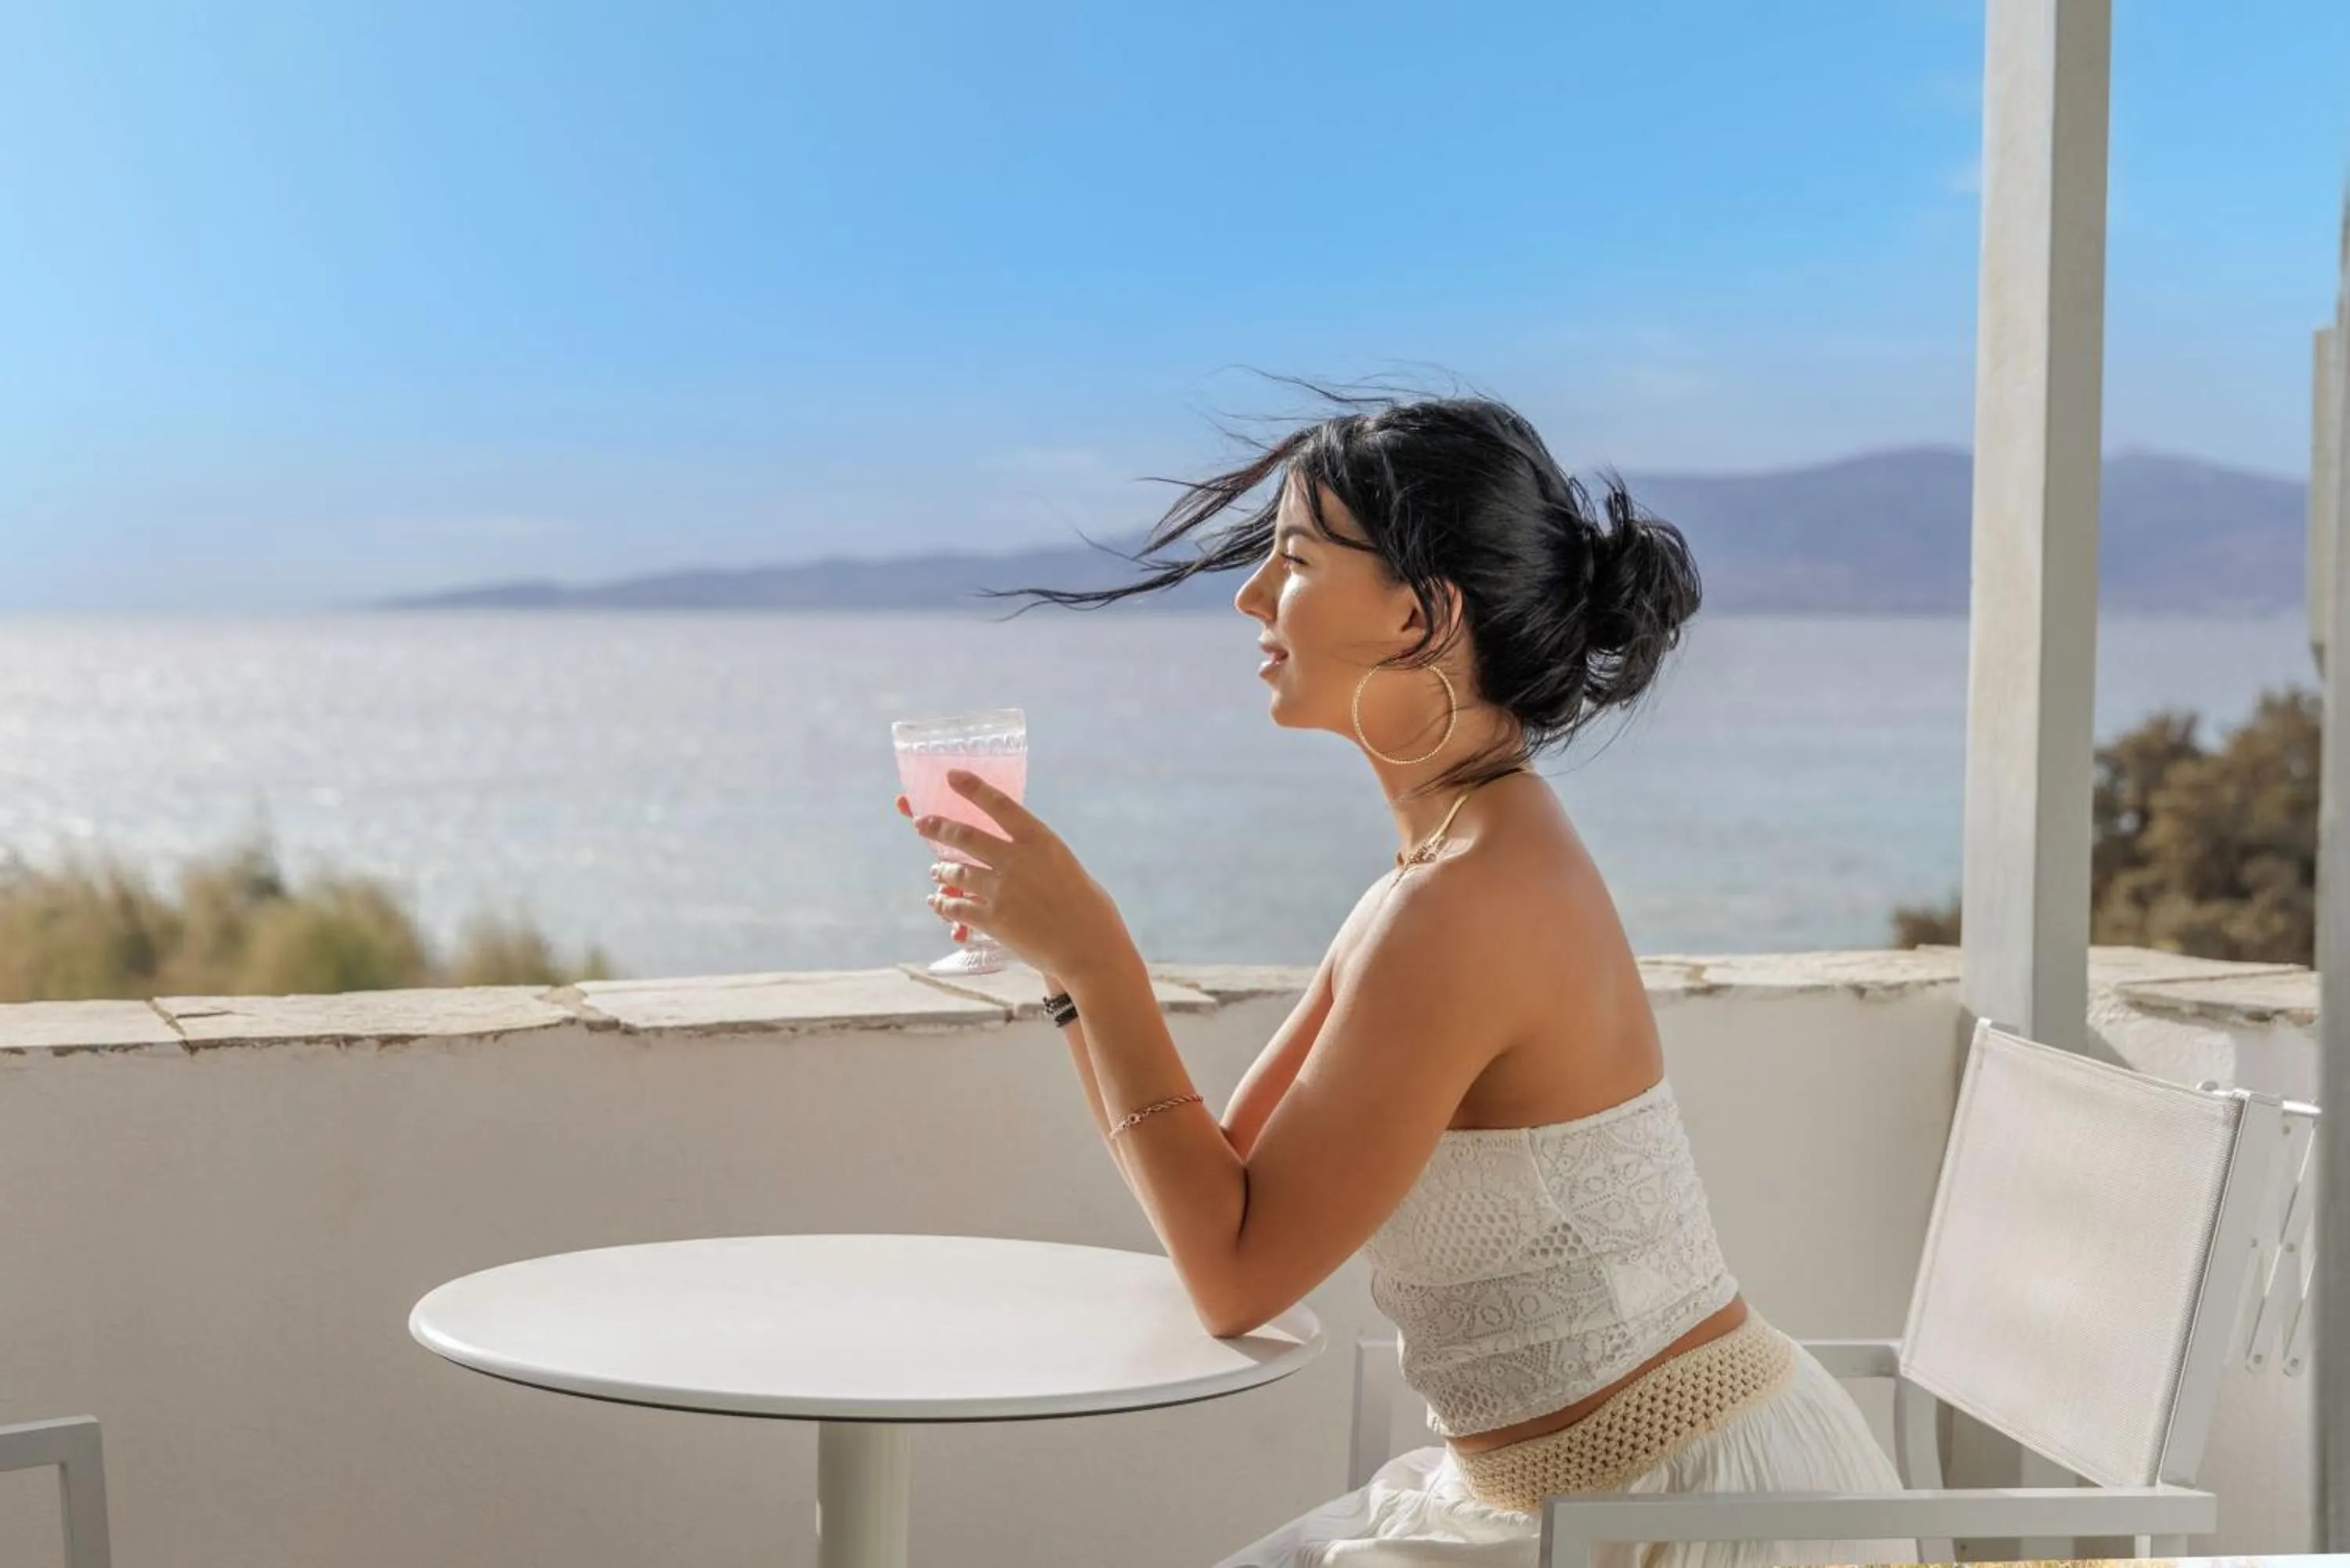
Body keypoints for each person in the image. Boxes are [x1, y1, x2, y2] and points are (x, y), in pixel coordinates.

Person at [894, 394, 1911, 1567]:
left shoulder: (1463, 904)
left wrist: (1096, 955)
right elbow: (1219, 1191)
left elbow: (1234, 1275)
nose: (1252, 598)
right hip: (1554, 1502)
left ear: (1422, 614)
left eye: (1295, 559)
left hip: (1674, 1518)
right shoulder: (1435, 872)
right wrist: (1073, 971)